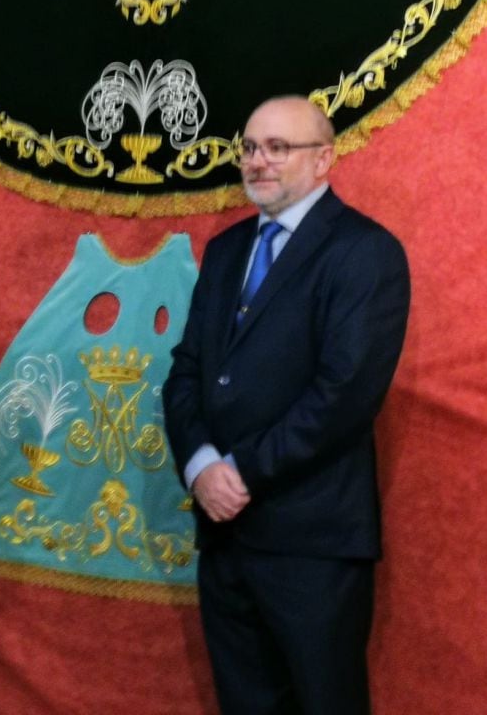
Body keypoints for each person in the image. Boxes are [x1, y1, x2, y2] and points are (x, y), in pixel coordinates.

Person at [163, 95, 410, 715]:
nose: (258, 161)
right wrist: (200, 468)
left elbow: (344, 394)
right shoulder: (225, 252)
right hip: (226, 535)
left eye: (278, 147)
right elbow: (187, 373)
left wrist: (241, 471)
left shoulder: (364, 252)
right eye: (249, 147)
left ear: (324, 158)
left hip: (313, 542)